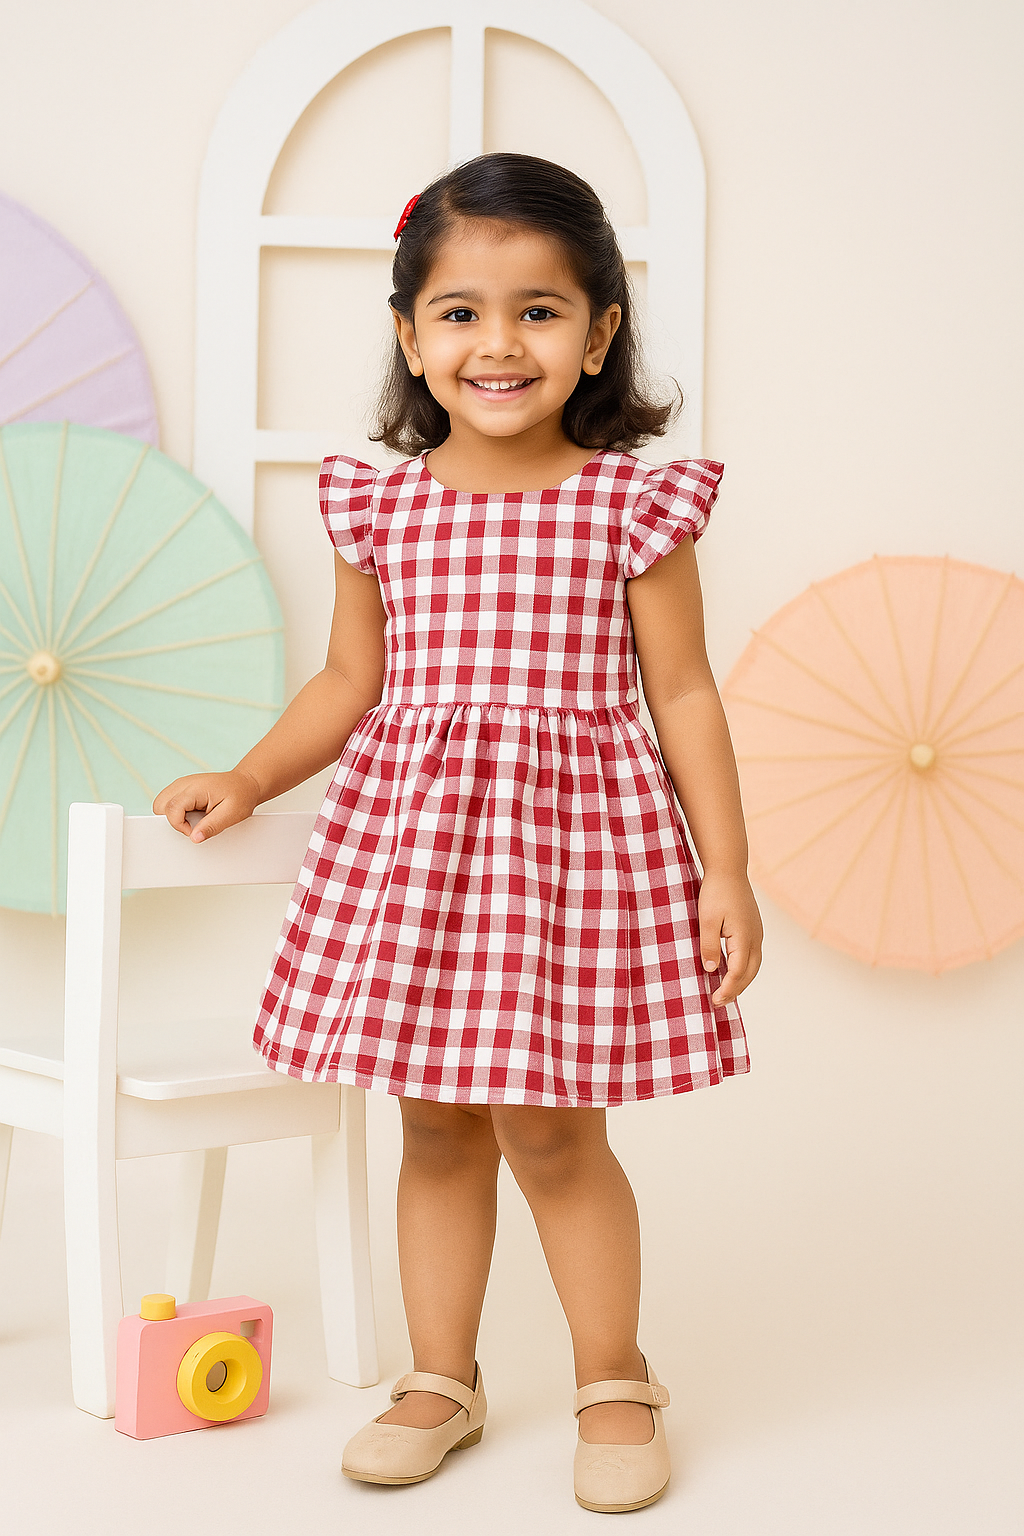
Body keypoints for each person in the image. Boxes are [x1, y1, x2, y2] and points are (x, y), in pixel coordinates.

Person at [154, 152, 762, 1514]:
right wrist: (251, 776)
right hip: (419, 861)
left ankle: (614, 1377)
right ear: (410, 334)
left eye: (540, 311)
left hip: (569, 862)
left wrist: (726, 869)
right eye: (461, 312)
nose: (499, 343)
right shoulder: (381, 505)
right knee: (432, 1126)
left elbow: (683, 693)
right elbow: (348, 680)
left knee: (552, 1132)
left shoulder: (630, 506)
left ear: (599, 333)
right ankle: (442, 1378)